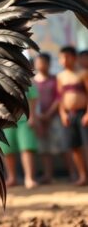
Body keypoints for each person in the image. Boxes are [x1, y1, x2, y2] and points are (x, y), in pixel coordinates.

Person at [33, 52, 67, 184]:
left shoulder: (55, 79)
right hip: (39, 119)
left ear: (48, 63)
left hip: (55, 118)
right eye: (38, 62)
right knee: (44, 149)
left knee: (63, 146)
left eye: (42, 62)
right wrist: (38, 116)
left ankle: (73, 173)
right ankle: (48, 175)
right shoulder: (33, 81)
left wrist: (49, 114)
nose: (40, 64)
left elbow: (59, 97)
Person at [57, 46, 88, 186]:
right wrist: (63, 114)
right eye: (61, 57)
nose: (63, 60)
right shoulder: (60, 76)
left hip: (83, 113)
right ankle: (82, 176)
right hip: (69, 115)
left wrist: (87, 114)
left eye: (67, 57)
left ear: (74, 58)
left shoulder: (83, 73)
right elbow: (60, 97)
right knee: (74, 147)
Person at [0, 83, 39, 189]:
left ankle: (29, 178)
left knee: (26, 148)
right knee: (7, 149)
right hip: (6, 119)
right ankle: (12, 178)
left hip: (25, 118)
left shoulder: (23, 77)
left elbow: (32, 97)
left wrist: (32, 116)